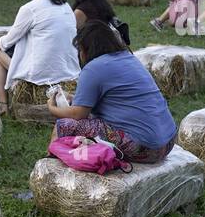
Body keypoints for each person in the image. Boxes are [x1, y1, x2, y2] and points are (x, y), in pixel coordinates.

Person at [47, 20, 178, 164]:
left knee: (64, 125)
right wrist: (73, 97)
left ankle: (50, 170)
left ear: (85, 48)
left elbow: (78, 115)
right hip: (168, 141)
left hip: (147, 148)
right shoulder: (129, 59)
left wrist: (52, 108)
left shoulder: (93, 68)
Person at [0, 0, 79, 113]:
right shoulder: (66, 7)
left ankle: (3, 105)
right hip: (68, 72)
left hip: (38, 74)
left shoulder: (30, 9)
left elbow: (7, 41)